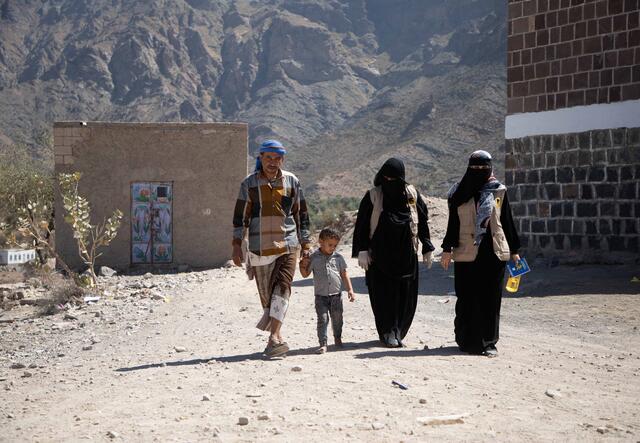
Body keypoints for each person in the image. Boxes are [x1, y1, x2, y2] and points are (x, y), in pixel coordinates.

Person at [231, 139, 311, 358]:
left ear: (282, 160)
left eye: (277, 159)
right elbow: (240, 218)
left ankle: (273, 337)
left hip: (288, 244)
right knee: (267, 297)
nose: (273, 162)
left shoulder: (292, 182)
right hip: (259, 247)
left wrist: (305, 245)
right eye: (269, 158)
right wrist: (237, 245)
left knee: (283, 287)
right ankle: (277, 333)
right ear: (261, 158)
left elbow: (301, 215)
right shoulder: (249, 184)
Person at [440, 150, 520, 358]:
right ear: (468, 168)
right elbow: (453, 223)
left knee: (490, 298)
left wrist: (515, 251)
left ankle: (488, 342)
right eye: (475, 168)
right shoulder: (458, 193)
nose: (479, 171)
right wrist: (447, 249)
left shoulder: (498, 190)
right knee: (466, 296)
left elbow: (507, 221)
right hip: (466, 251)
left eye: (483, 168)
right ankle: (465, 339)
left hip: (492, 252)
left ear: (490, 167)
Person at [352, 158, 435, 347]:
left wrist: (427, 246)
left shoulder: (411, 194)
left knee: (405, 296)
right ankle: (387, 332)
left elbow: (421, 219)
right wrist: (362, 250)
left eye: (394, 179)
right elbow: (362, 225)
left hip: (407, 255)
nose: (390, 182)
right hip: (380, 257)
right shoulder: (373, 195)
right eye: (387, 178)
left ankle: (399, 331)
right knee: (383, 296)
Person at [300, 227, 356, 354]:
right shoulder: (314, 258)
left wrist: (350, 290)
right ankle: (323, 343)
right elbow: (305, 274)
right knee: (323, 319)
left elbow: (344, 274)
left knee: (337, 319)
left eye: (335, 245)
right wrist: (302, 264)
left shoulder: (339, 258)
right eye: (330, 245)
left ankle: (338, 338)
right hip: (320, 297)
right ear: (321, 241)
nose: (332, 248)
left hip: (336, 295)